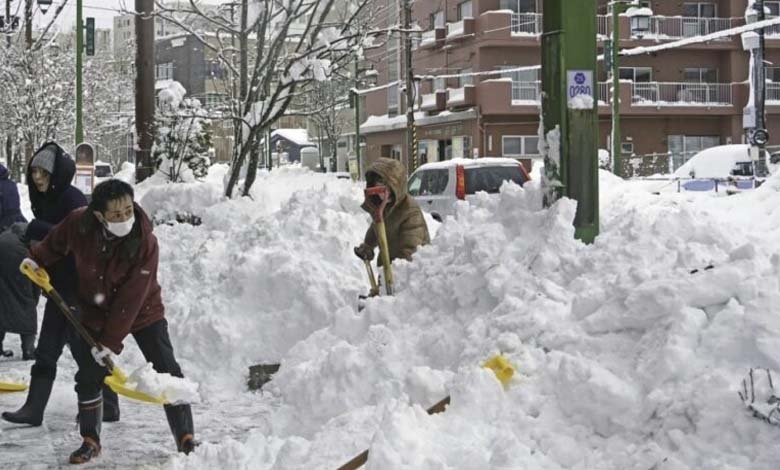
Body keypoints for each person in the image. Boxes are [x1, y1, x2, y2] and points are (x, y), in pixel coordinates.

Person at [22, 179, 195, 463]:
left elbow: (132, 297)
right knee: (89, 372)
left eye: (128, 209)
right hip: (95, 309)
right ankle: (90, 439)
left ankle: (185, 436)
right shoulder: (79, 223)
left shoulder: (145, 240)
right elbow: (55, 243)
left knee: (167, 368)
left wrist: (110, 343)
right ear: (99, 214)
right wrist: (36, 259)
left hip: (143, 311)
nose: (125, 217)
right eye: (116, 214)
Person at [2, 142, 120, 425]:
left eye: (44, 172)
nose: (38, 178)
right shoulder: (45, 198)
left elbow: (78, 238)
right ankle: (34, 409)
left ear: (56, 173)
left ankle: (109, 404)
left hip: (80, 288)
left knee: (82, 350)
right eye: (34, 172)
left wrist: (33, 229)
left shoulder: (73, 198)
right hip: (58, 286)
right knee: (49, 351)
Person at [354, 157, 430, 268]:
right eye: (379, 188)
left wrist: (396, 271)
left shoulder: (410, 211)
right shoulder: (384, 206)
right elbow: (376, 227)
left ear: (397, 187)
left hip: (410, 271)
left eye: (388, 188)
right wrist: (368, 246)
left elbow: (411, 248)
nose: (383, 193)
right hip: (387, 265)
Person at [0, 162, 31, 357]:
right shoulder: (9, 185)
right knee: (24, 294)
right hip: (17, 234)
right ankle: (28, 347)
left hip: (5, 237)